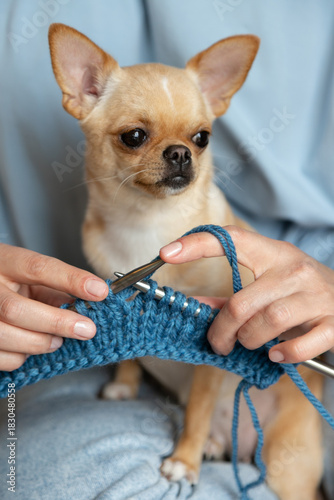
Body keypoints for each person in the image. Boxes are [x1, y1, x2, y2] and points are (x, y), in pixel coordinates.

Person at [0, 1, 333, 499]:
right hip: (153, 392)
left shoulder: (217, 241)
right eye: (136, 137)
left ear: (215, 104)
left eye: (196, 139)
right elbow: (126, 311)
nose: (179, 156)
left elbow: (216, 345)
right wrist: (127, 373)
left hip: (274, 396)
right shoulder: (95, 236)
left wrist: (191, 445)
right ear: (84, 95)